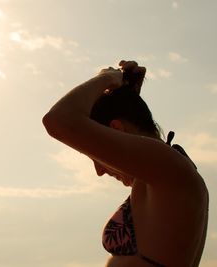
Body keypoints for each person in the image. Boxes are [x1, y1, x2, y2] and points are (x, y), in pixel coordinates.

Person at [42, 61, 209, 267]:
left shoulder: (167, 165)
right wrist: (127, 94)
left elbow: (59, 120)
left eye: (98, 158)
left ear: (117, 129)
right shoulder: (164, 171)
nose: (99, 170)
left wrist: (107, 78)